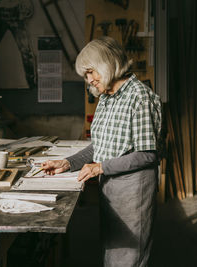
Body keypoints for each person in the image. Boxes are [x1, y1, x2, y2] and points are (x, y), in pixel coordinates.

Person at [42, 36, 162, 267]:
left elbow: (148, 154)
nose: (89, 80)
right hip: (111, 187)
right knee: (113, 254)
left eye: (90, 72)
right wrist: (67, 163)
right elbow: (101, 144)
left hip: (132, 192)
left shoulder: (139, 97)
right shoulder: (107, 97)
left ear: (107, 64)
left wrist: (101, 167)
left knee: (129, 258)